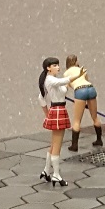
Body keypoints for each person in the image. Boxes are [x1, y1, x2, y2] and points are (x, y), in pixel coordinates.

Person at [38, 57, 79, 187]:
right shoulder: (50, 80)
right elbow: (63, 81)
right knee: (57, 145)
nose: (58, 67)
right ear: (48, 68)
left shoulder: (52, 80)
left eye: (58, 65)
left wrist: (47, 114)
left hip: (58, 110)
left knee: (54, 144)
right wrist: (76, 75)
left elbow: (43, 97)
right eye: (55, 65)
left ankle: (46, 170)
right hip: (57, 111)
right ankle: (56, 175)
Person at [64, 54, 103, 152]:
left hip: (80, 91)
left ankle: (74, 145)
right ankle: (99, 140)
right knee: (95, 117)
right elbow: (86, 81)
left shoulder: (66, 73)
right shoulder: (82, 70)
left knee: (77, 121)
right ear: (75, 61)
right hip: (91, 89)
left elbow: (65, 88)